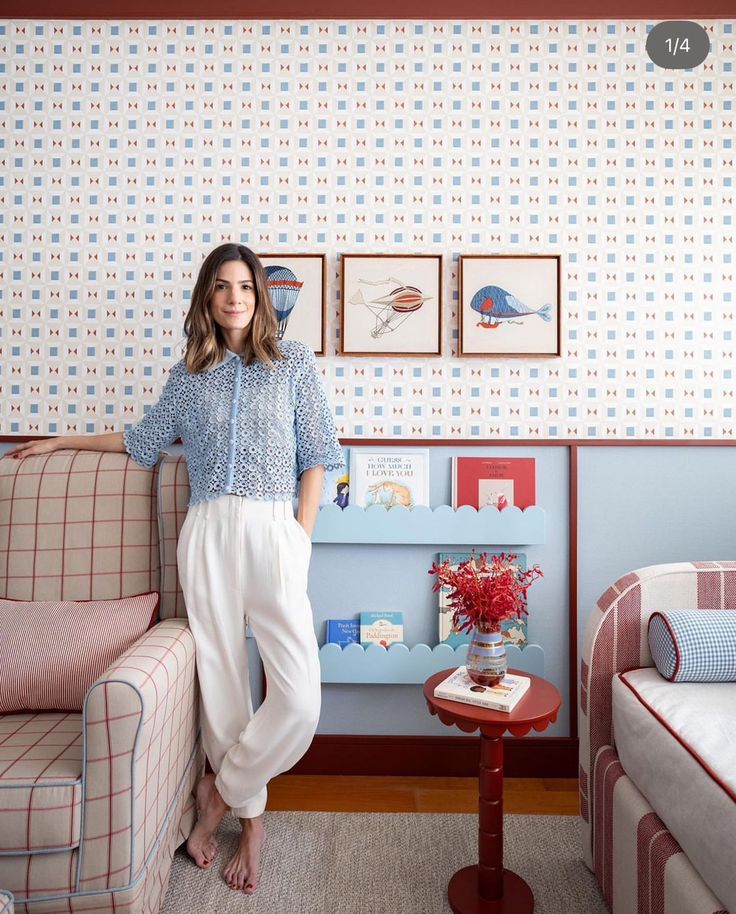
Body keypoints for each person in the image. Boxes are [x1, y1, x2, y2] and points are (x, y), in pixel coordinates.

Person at [6, 242, 346, 895]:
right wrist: (60, 439)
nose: (234, 296)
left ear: (260, 295)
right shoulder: (189, 374)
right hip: (209, 530)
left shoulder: (294, 364)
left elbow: (317, 458)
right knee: (222, 686)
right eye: (221, 286)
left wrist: (300, 541)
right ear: (207, 299)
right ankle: (251, 827)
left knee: (299, 699)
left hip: (277, 531)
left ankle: (220, 790)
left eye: (244, 285)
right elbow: (142, 439)